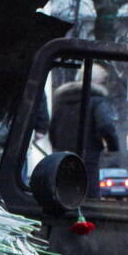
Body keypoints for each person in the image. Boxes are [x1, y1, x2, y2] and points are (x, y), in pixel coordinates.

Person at [49, 63, 119, 197]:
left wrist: (58, 148)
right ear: (96, 81)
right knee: (89, 194)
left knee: (67, 193)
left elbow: (53, 129)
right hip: (88, 156)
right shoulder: (97, 101)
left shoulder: (62, 101)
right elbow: (105, 125)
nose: (105, 84)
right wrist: (112, 146)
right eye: (103, 81)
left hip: (64, 157)